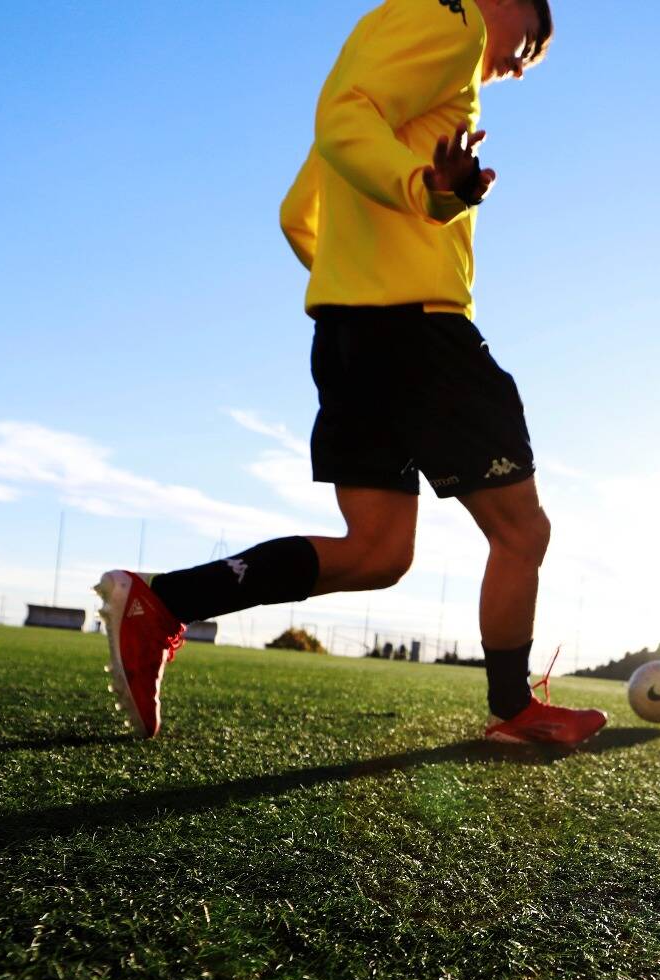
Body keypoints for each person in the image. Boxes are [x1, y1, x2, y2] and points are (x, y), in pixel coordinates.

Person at [95, 0, 601, 746]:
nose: (515, 66)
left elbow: (299, 212)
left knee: (378, 551)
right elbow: (343, 117)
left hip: (351, 335)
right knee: (522, 531)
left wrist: (356, 285)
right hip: (421, 333)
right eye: (524, 42)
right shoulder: (452, 24)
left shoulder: (394, 54)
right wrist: (425, 190)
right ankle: (512, 710)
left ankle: (163, 601)